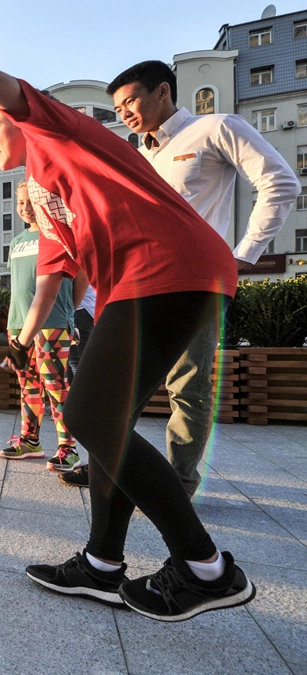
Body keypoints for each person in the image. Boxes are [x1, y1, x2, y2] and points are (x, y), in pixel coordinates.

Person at [0, 71, 253, 622]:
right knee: (107, 425)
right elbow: (51, 280)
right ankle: (102, 564)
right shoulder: (43, 190)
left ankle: (205, 568)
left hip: (166, 267)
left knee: (89, 418)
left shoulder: (55, 131)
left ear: (20, 123)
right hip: (146, 282)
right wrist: (21, 342)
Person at [58, 60, 299, 496]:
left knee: (187, 382)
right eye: (118, 108)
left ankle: (180, 482)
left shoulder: (215, 128)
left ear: (163, 91)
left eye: (130, 101)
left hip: (194, 284)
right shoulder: (140, 155)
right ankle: (108, 466)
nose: (124, 113)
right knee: (122, 381)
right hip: (140, 282)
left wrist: (243, 255)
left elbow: (281, 182)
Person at [0, 184, 81, 472]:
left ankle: (68, 448)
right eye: (21, 202)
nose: (26, 208)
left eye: (31, 202)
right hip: (18, 324)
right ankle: (30, 440)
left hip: (53, 323)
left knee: (55, 384)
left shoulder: (60, 235)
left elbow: (80, 277)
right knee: (28, 384)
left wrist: (68, 315)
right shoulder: (16, 242)